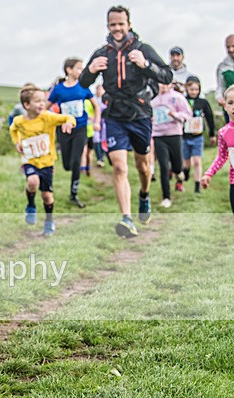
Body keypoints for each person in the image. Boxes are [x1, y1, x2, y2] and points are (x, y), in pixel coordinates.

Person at [79, 5, 172, 238]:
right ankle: (127, 219)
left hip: (140, 114)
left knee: (143, 166)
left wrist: (146, 65)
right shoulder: (102, 53)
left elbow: (167, 75)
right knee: (119, 166)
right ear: (108, 26)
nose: (117, 28)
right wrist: (90, 70)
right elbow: (83, 83)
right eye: (113, 24)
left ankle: (144, 195)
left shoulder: (143, 49)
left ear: (129, 24)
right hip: (114, 116)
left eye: (121, 24)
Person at [10, 85, 77, 236]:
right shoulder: (19, 121)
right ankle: (31, 205)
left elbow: (68, 117)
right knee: (33, 181)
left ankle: (49, 220)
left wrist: (68, 123)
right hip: (29, 160)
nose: (42, 103)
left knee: (47, 196)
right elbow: (13, 129)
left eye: (43, 100)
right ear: (26, 105)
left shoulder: (48, 117)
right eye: (37, 101)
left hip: (47, 162)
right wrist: (17, 142)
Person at [47, 58, 101, 208]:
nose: (81, 71)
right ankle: (72, 173)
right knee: (67, 165)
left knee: (77, 160)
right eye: (78, 68)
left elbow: (96, 106)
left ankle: (73, 194)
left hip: (80, 128)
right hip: (64, 130)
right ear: (69, 70)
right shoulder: (58, 90)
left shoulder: (83, 87)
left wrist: (96, 122)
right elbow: (46, 107)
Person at [150, 82, 192, 207]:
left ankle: (179, 173)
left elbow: (188, 114)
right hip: (158, 136)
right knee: (163, 166)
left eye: (165, 84)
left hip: (174, 134)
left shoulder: (177, 97)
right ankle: (166, 197)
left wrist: (175, 115)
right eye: (160, 84)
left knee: (177, 166)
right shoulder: (154, 101)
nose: (162, 86)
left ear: (170, 84)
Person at [201, 85, 234, 214]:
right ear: (224, 106)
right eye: (230, 103)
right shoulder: (223, 132)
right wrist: (209, 173)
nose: (233, 107)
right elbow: (222, 157)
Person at [182, 76, 216, 194]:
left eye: (196, 89)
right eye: (192, 89)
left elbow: (209, 117)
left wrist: (212, 134)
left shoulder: (203, 102)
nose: (194, 92)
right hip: (184, 136)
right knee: (186, 163)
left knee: (197, 161)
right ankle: (185, 172)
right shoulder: (182, 100)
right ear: (187, 89)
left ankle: (197, 186)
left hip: (198, 136)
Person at [215, 35, 234, 124]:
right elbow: (220, 87)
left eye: (233, 46)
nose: (230, 50)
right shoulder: (222, 67)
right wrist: (219, 98)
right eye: (228, 47)